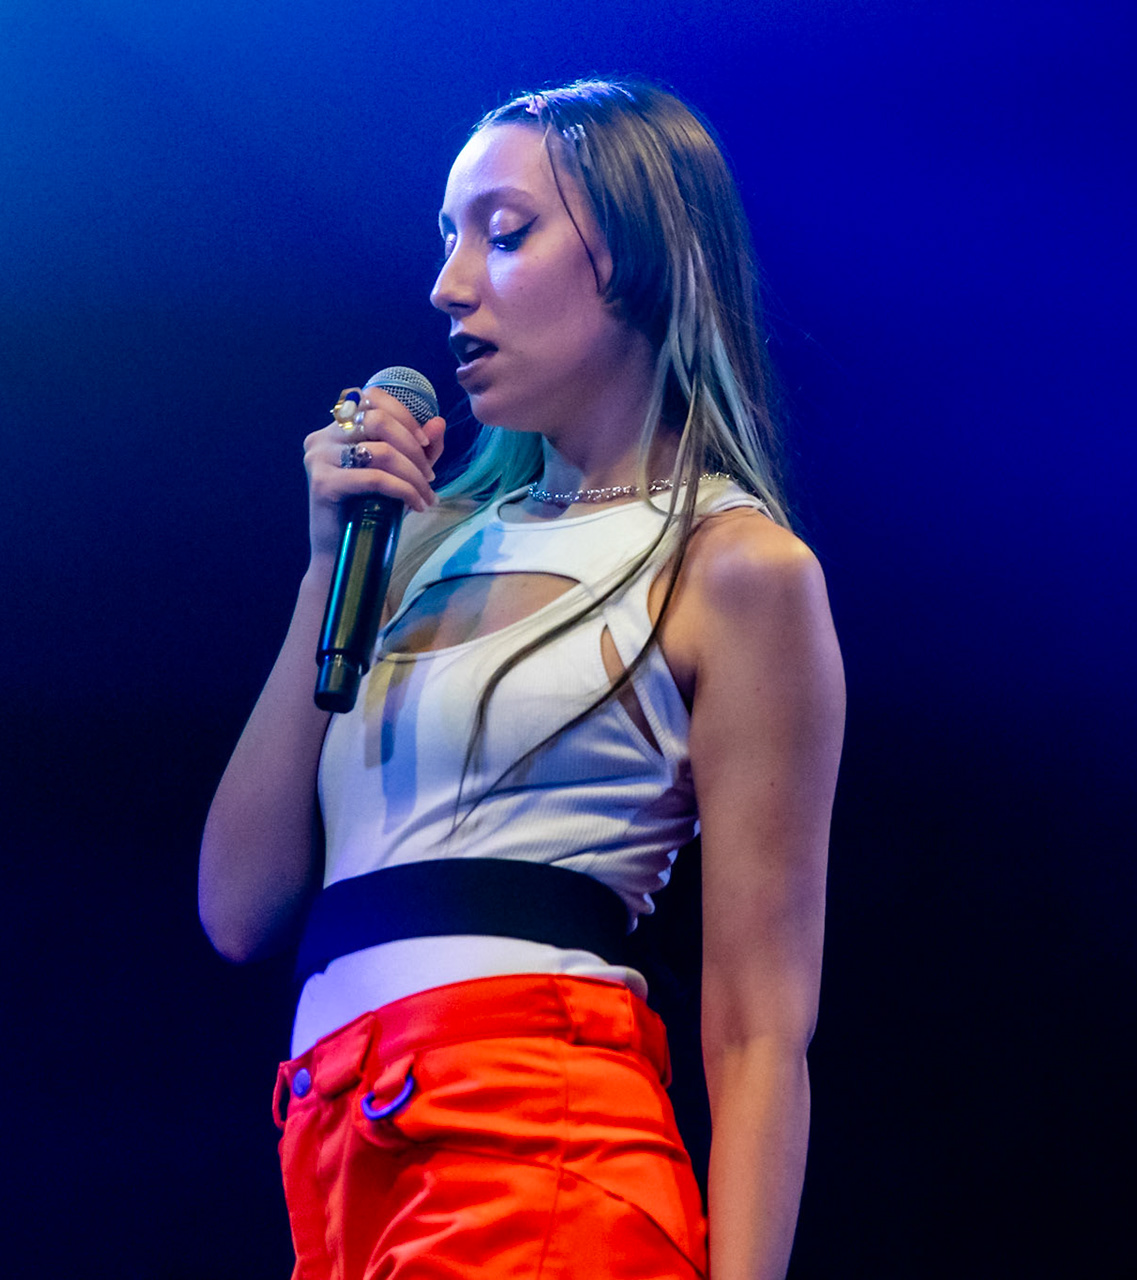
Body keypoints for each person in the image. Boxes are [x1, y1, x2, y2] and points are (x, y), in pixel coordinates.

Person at [199, 78, 844, 1280]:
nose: (450, 284)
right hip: (339, 1160)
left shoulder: (734, 565)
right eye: (446, 238)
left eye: (504, 232)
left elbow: (759, 1024)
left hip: (538, 1147)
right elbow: (238, 905)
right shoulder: (420, 542)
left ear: (640, 258)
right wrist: (324, 574)